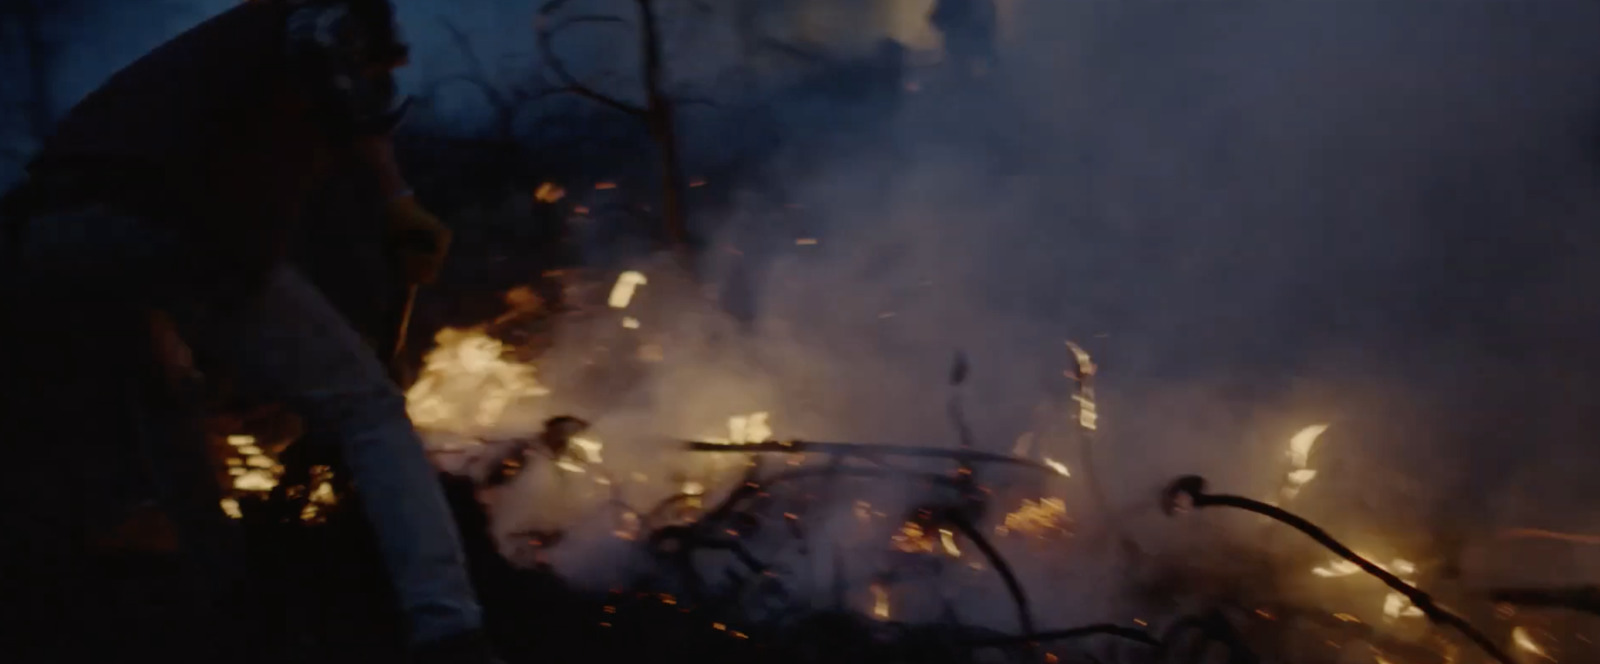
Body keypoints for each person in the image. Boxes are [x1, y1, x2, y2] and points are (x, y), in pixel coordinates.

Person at [0, 1, 496, 661]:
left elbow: (215, 265)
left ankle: (227, 608)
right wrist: (397, 199)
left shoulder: (209, 87)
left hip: (51, 234)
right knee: (368, 406)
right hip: (158, 218)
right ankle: (448, 631)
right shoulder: (321, 15)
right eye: (379, 68)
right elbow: (324, 55)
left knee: (171, 409)